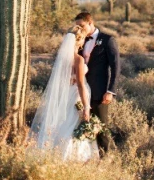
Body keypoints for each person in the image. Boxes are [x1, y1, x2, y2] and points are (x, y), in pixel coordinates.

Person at [28, 24, 99, 162]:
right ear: (80, 40)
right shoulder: (78, 60)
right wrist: (86, 107)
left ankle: (56, 152)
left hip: (64, 95)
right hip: (75, 96)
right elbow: (80, 85)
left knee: (64, 124)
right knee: (73, 126)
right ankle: (71, 156)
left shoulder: (62, 58)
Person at [74, 11, 120, 155]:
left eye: (82, 26)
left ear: (90, 23)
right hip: (79, 92)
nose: (80, 29)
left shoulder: (107, 40)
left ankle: (105, 158)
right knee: (82, 126)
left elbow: (116, 66)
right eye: (77, 27)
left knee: (101, 127)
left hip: (99, 91)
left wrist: (110, 91)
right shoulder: (78, 40)